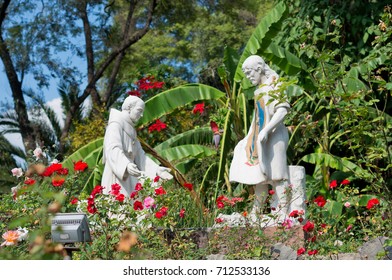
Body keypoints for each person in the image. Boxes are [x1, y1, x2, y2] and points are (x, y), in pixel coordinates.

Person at [229, 55, 290, 223]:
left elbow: (283, 110)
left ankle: (283, 212)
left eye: (249, 73)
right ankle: (256, 211)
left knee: (277, 174)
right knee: (260, 175)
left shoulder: (275, 84)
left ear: (259, 69)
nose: (249, 77)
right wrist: (249, 138)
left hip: (275, 134)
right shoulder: (258, 90)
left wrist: (267, 131)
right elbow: (258, 117)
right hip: (259, 136)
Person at [101, 95, 172, 196]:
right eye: (139, 110)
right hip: (118, 175)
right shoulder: (115, 124)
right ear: (129, 108)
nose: (141, 115)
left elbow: (140, 156)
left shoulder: (130, 129)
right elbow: (112, 149)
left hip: (131, 174)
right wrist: (126, 165)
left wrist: (156, 169)